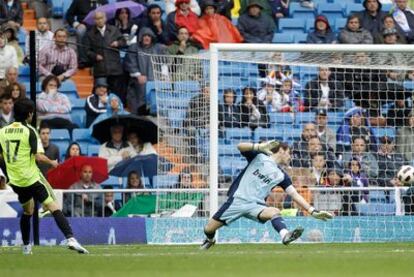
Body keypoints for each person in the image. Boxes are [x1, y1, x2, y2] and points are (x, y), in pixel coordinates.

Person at [200, 141, 333, 250]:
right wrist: (257, 146)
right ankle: (210, 240)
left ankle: (285, 235)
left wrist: (312, 211)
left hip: (255, 205)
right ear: (281, 150)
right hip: (236, 201)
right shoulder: (259, 157)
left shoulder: (281, 175)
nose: (290, 157)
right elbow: (239, 146)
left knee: (274, 211)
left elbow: (295, 195)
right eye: (289, 153)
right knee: (208, 229)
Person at [0, 99, 88, 254]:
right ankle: (71, 238)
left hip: (16, 181)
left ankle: (26, 247)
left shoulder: (2, 131)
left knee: (28, 211)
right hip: (32, 178)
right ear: (29, 114)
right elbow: (38, 157)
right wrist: (52, 162)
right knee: (53, 205)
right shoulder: (30, 131)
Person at [84, 12, 127, 103]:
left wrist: (117, 43)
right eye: (97, 19)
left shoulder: (114, 29)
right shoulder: (90, 34)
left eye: (101, 18)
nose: (99, 20)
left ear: (105, 18)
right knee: (99, 94)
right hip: (100, 69)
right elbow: (87, 51)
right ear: (94, 20)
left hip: (115, 68)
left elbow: (123, 41)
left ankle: (118, 113)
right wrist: (95, 56)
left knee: (117, 94)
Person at [125, 27, 167, 115]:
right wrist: (137, 75)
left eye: (149, 36)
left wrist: (164, 74)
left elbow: (164, 62)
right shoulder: (134, 47)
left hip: (155, 80)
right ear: (140, 37)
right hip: (138, 82)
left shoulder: (158, 48)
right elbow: (130, 63)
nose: (147, 38)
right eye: (144, 36)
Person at [66, 0, 108, 67]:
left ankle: (103, 58)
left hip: (99, 25)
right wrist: (77, 25)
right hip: (84, 25)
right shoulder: (78, 1)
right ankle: (83, 60)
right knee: (80, 31)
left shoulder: (103, 1)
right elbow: (69, 15)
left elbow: (108, 15)